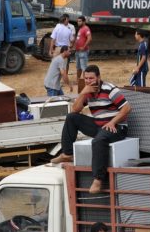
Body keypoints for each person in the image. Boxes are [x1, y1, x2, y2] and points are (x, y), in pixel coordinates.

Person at [50, 65, 131, 194]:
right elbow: (75, 110)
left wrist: (112, 122)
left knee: (98, 141)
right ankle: (67, 154)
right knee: (71, 117)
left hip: (117, 127)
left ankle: (98, 179)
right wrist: (82, 93)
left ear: (98, 77)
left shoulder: (110, 89)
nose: (88, 81)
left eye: (91, 78)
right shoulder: (87, 92)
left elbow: (126, 108)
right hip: (99, 125)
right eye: (86, 78)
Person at [75, 15, 92, 81]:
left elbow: (89, 38)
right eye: (78, 21)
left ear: (84, 22)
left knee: (84, 67)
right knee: (78, 67)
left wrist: (84, 47)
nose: (78, 22)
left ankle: (85, 81)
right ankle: (78, 80)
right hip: (78, 51)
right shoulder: (81, 29)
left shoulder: (86, 28)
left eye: (80, 21)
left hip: (83, 51)